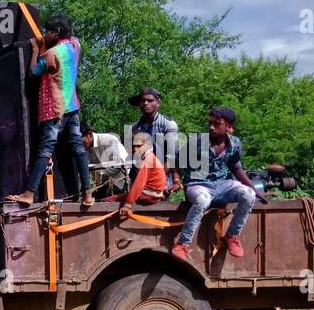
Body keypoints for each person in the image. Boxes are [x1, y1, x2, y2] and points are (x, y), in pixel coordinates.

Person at [4, 15, 93, 206]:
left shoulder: (50, 55)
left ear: (56, 32)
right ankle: (87, 193)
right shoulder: (75, 46)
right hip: (72, 107)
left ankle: (29, 193)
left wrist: (36, 49)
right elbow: (68, 40)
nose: (45, 35)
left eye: (49, 31)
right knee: (78, 149)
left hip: (55, 111)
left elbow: (33, 73)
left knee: (45, 150)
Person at [173, 106, 266, 261]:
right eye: (210, 123)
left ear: (229, 127)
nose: (211, 127)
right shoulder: (196, 142)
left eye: (217, 124)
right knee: (202, 200)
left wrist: (254, 190)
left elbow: (236, 168)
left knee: (248, 195)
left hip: (223, 184)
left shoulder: (235, 143)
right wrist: (177, 181)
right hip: (198, 184)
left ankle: (231, 236)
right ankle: (182, 243)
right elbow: (174, 162)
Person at [126, 87, 181, 191]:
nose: (146, 103)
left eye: (150, 100)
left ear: (158, 103)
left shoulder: (168, 125)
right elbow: (131, 156)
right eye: (142, 101)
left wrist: (174, 179)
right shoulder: (133, 128)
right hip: (138, 177)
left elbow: (171, 156)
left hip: (162, 176)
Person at [103, 132, 167, 206]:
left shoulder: (147, 160)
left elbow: (139, 183)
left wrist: (128, 204)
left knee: (107, 200)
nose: (135, 149)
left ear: (148, 145)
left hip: (149, 195)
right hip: (153, 194)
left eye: (139, 146)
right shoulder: (148, 157)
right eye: (133, 146)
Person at [82, 125, 129, 196]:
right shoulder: (87, 148)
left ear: (89, 134)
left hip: (122, 182)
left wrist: (99, 171)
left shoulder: (108, 140)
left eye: (80, 141)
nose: (79, 144)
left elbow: (117, 166)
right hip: (107, 183)